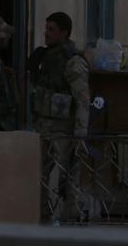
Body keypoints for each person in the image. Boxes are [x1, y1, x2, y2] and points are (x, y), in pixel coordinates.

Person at [31, 11, 90, 222]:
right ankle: (42, 213)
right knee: (40, 173)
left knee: (69, 175)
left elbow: (82, 100)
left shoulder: (73, 62)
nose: (46, 34)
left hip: (64, 130)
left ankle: (71, 214)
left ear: (64, 33)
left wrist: (81, 132)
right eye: (46, 29)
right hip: (44, 127)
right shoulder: (46, 57)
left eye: (51, 30)